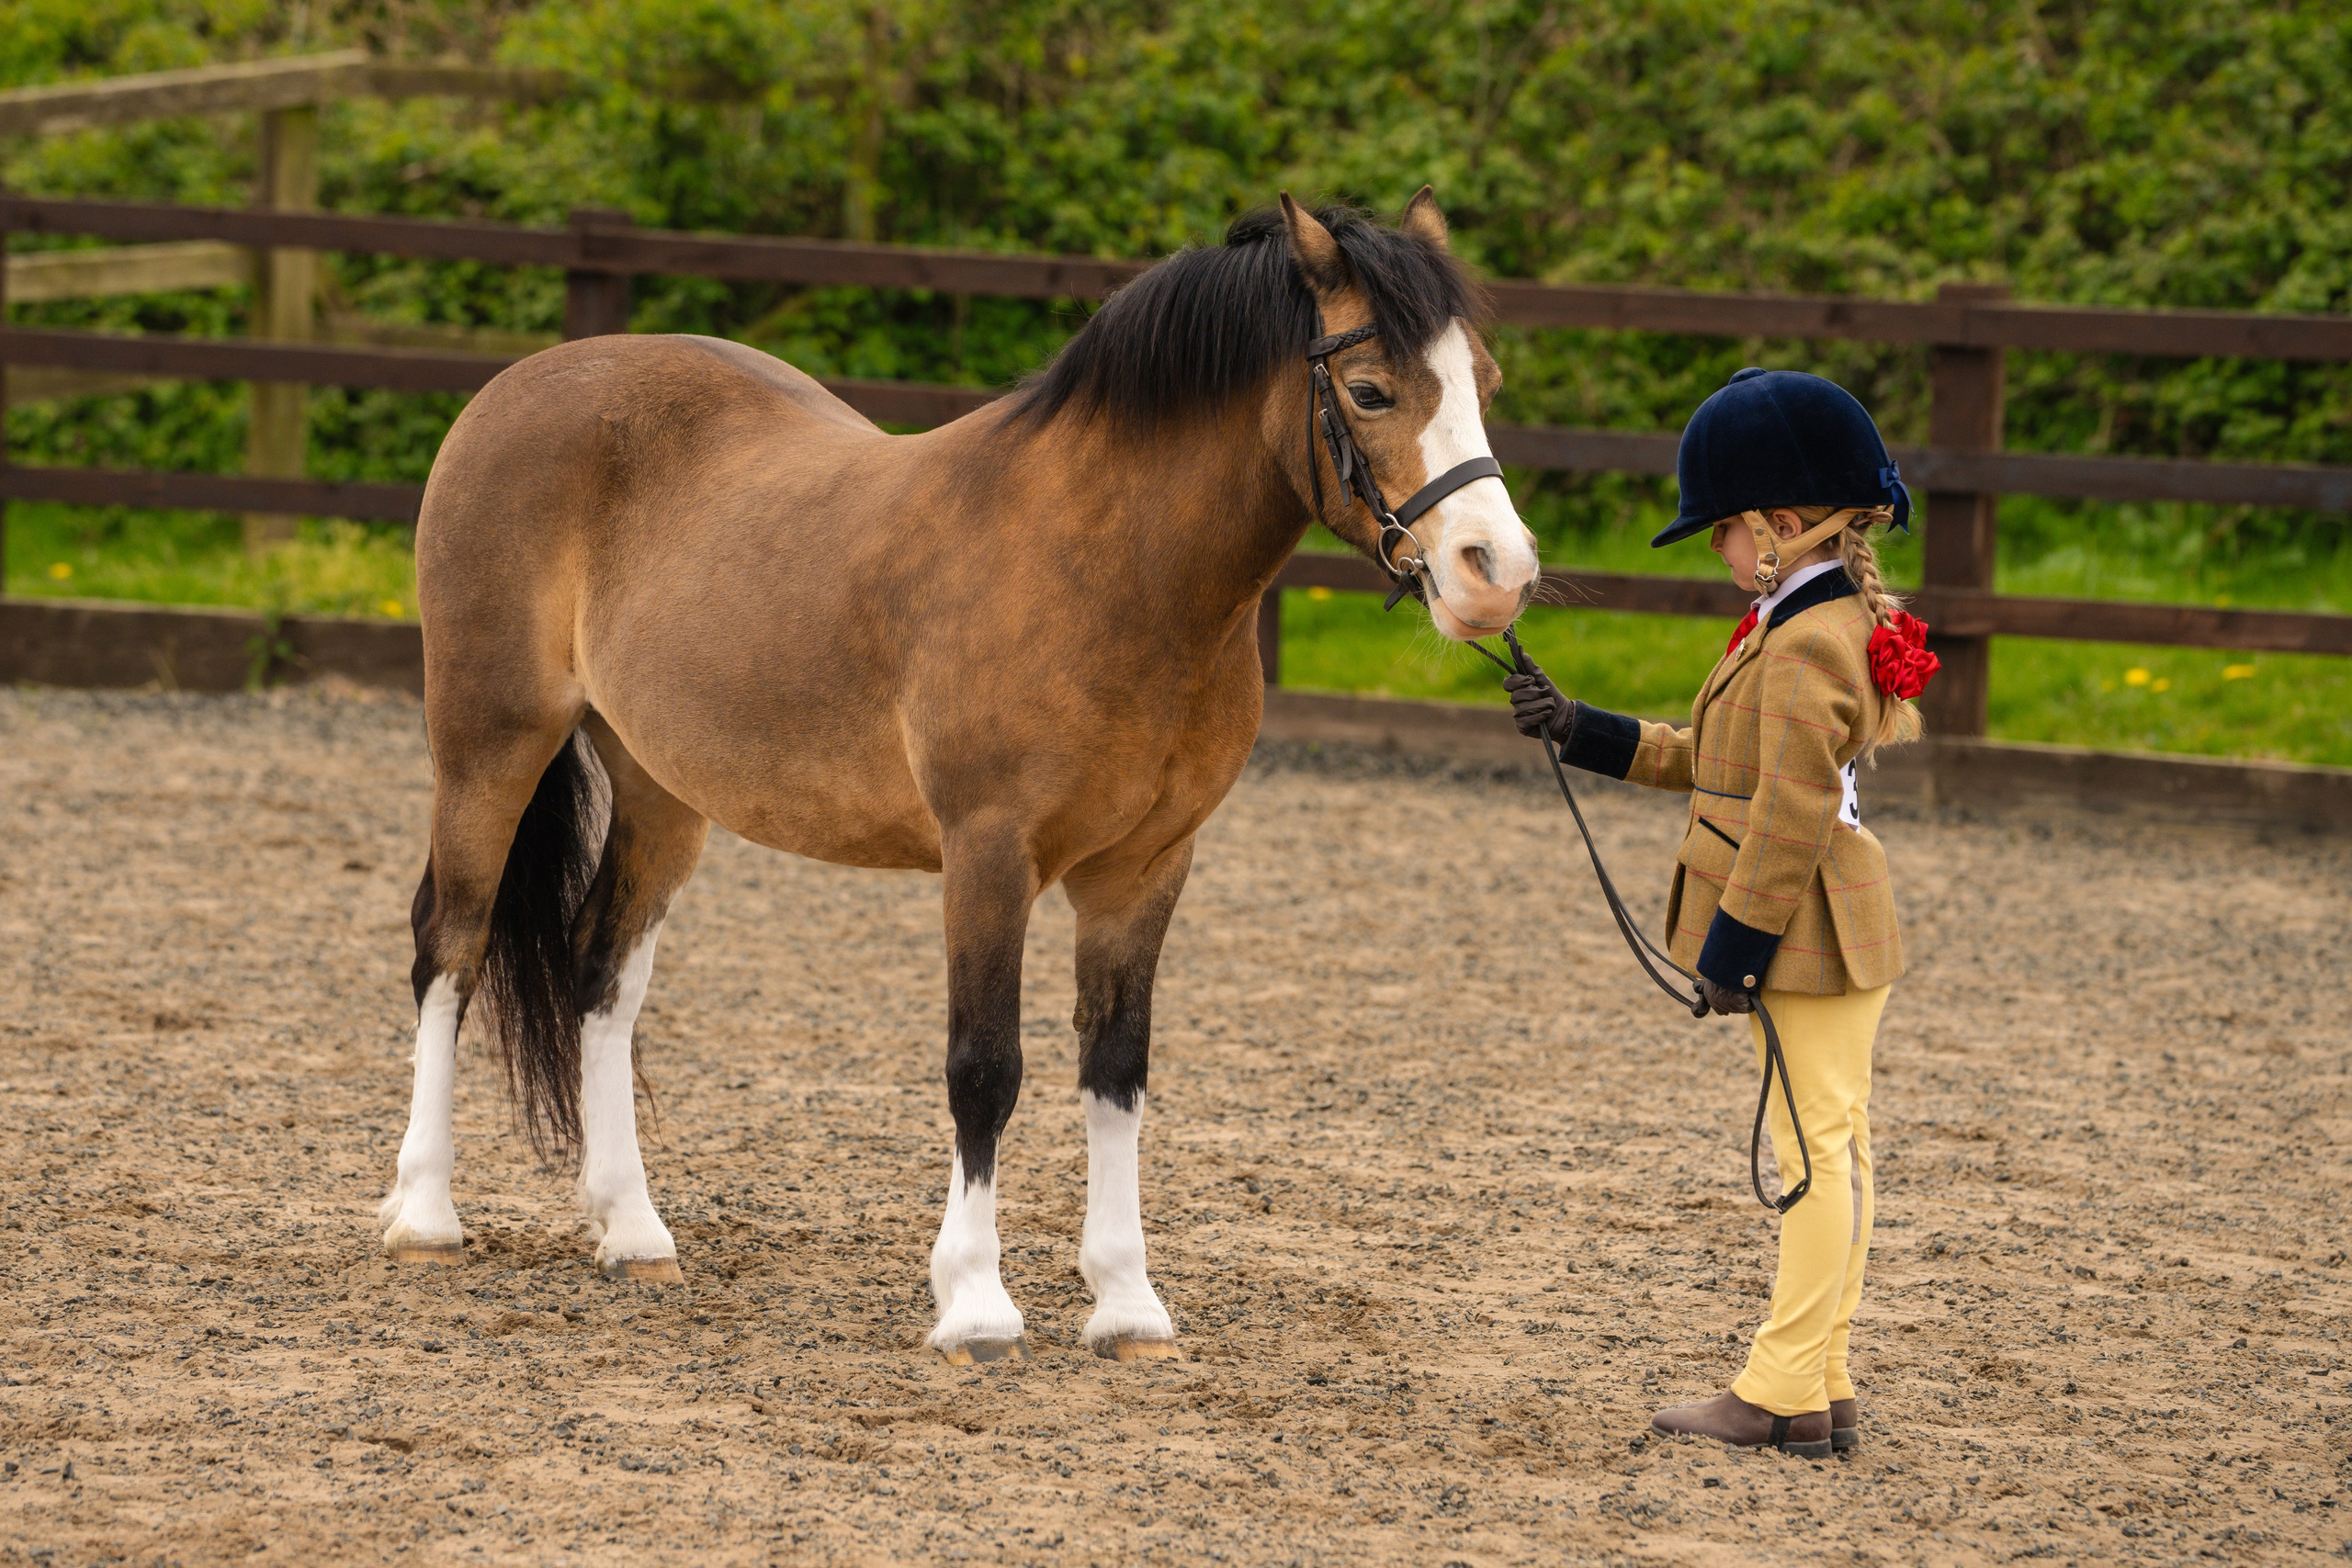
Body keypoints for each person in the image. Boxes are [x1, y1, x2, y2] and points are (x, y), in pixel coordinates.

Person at [1505, 367, 1939, 1459]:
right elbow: (1722, 763)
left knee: (1813, 1151)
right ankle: (1821, 1379)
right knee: (1834, 1146)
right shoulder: (1800, 619)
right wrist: (1583, 729)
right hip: (1831, 923)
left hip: (1805, 931)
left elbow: (1786, 814)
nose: (1714, 548)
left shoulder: (1797, 645)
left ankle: (1782, 1386)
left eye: (1725, 529)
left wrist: (1733, 953)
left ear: (1783, 527)